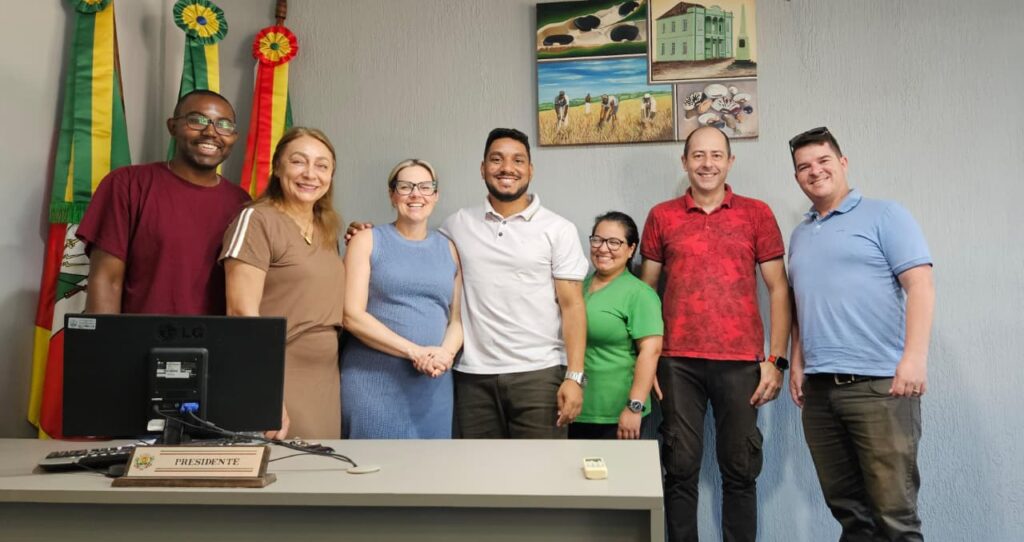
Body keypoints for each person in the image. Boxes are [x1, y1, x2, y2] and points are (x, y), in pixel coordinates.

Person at [347, 128, 589, 438]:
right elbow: (410, 250)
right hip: (473, 377)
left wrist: (574, 376)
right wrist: (360, 234)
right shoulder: (457, 225)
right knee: (474, 467)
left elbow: (573, 306)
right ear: (483, 168)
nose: (507, 168)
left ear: (530, 169)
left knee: (539, 467)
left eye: (517, 160)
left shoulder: (558, 229)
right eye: (496, 159)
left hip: (538, 374)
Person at [639, 126, 791, 542]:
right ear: (685, 161)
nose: (707, 164)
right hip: (676, 363)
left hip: (741, 363)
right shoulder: (662, 216)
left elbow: (779, 288)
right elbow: (645, 293)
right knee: (679, 469)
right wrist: (645, 363)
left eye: (716, 155)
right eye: (698, 155)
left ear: (730, 162)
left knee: (741, 471)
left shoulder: (756, 214)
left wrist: (776, 361)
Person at [787, 126, 934, 541]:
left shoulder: (886, 215)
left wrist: (914, 358)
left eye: (823, 161)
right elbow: (802, 303)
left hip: (880, 388)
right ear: (797, 177)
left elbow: (921, 285)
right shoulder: (800, 234)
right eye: (804, 166)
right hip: (819, 392)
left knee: (894, 516)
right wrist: (797, 362)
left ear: (843, 162)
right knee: (850, 515)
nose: (815, 171)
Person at [77, 89, 250, 314]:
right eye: (197, 120)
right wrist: (106, 337)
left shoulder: (242, 203)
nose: (211, 132)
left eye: (224, 125)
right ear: (173, 127)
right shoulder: (127, 184)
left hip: (215, 336)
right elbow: (107, 280)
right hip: (140, 334)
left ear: (234, 137)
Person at [221, 127, 345, 440]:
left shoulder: (327, 229)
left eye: (322, 166)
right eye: (298, 162)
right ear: (277, 167)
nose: (310, 174)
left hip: (325, 377)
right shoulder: (256, 219)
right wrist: (266, 393)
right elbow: (240, 313)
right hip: (277, 373)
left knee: (321, 464)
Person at [341, 159, 463, 438]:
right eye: (405, 186)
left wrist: (445, 354)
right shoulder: (366, 240)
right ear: (392, 194)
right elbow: (351, 316)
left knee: (430, 463)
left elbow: (456, 320)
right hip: (373, 383)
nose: (415, 194)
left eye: (425, 187)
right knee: (371, 463)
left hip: (433, 385)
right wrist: (414, 352)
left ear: (436, 194)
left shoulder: (449, 249)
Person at [569, 211, 663, 440]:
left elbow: (651, 351)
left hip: (618, 413)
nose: (603, 248)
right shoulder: (577, 288)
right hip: (575, 407)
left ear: (631, 249)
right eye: (597, 240)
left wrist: (634, 407)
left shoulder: (640, 294)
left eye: (614, 242)